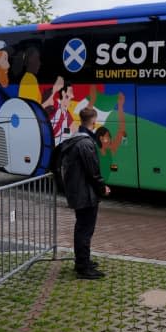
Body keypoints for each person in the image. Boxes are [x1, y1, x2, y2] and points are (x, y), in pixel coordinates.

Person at [57, 107, 111, 279]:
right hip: (84, 194)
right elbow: (93, 171)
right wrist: (103, 188)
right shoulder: (86, 143)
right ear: (93, 121)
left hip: (77, 191)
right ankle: (83, 267)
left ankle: (82, 261)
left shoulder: (75, 138)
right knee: (85, 230)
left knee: (82, 228)